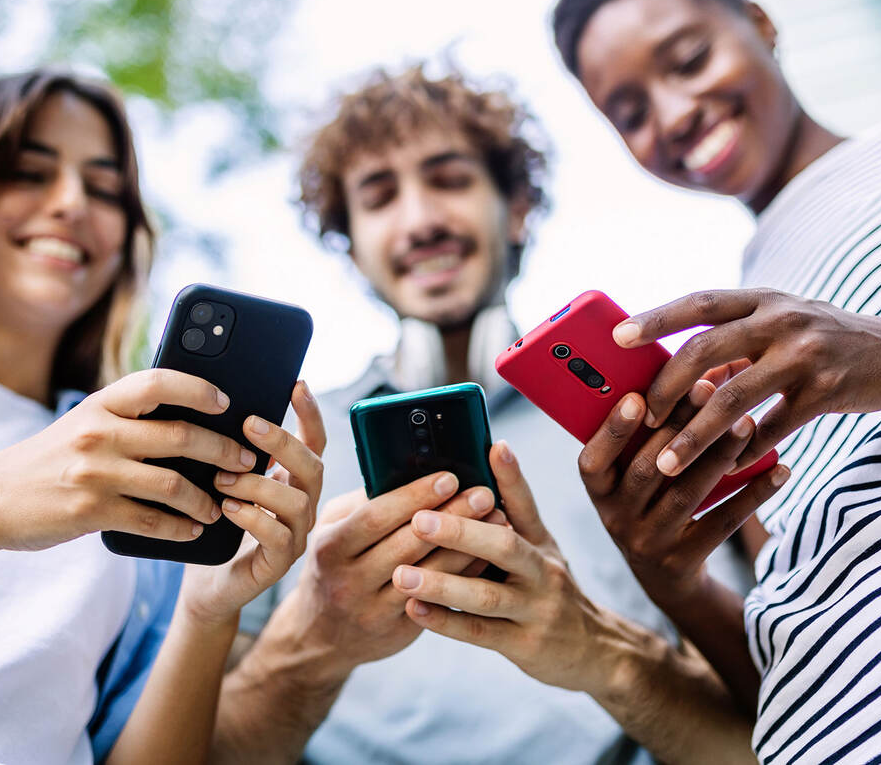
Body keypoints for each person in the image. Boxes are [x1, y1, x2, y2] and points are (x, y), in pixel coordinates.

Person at [552, 0, 881, 764]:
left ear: (760, 22)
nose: (673, 113)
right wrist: (674, 581)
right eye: (629, 113)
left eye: (688, 58)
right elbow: (774, 659)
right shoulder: (728, 348)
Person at [212, 64, 760, 764]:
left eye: (449, 179)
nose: (420, 220)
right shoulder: (285, 444)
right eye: (379, 198)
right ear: (349, 248)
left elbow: (753, 745)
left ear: (518, 206)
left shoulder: (637, 422)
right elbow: (210, 749)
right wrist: (311, 648)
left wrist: (595, 649)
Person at [0, 69, 325, 764]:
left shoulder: (139, 469)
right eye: (29, 173)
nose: (70, 204)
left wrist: (206, 612)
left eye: (105, 188)